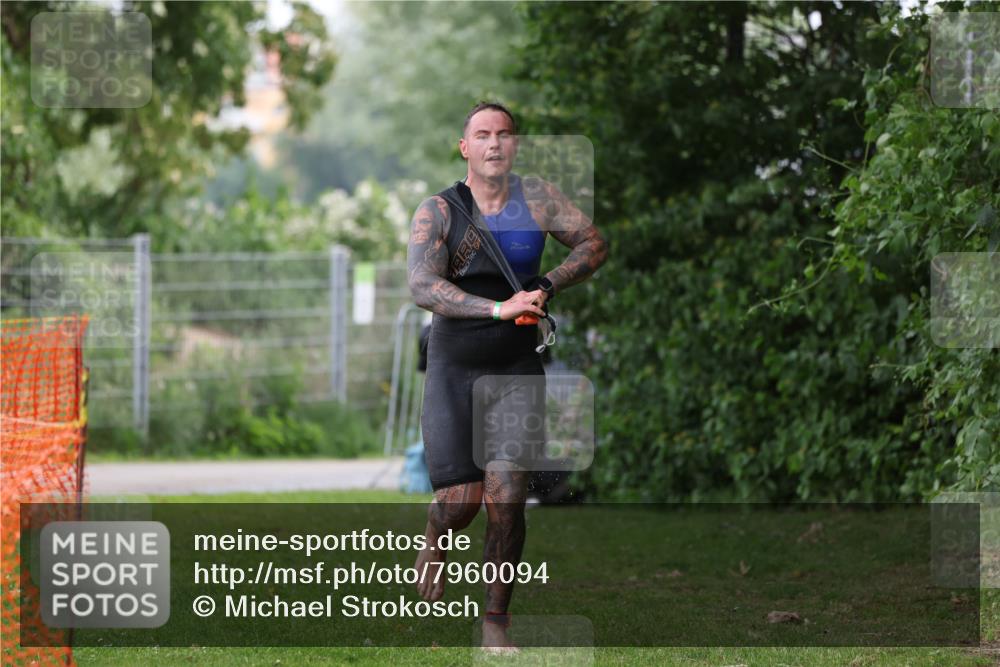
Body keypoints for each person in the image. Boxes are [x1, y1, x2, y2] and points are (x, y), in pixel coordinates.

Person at [406, 101, 608, 653]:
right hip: (456, 365)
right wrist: (497, 308)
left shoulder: (538, 197)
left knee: (508, 494)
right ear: (464, 147)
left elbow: (594, 244)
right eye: (482, 134)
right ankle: (437, 534)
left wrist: (546, 284)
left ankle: (496, 619)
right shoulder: (440, 211)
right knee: (464, 501)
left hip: (517, 365)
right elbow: (422, 286)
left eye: (504, 134)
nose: (495, 143)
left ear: (514, 145)